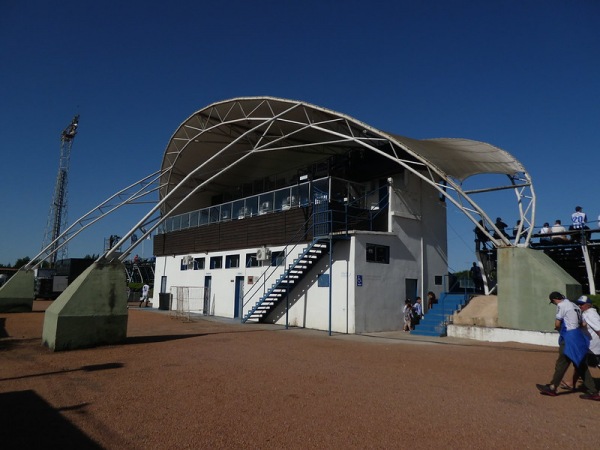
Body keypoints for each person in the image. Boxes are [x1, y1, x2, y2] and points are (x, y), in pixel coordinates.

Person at [535, 291, 600, 401]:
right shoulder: (574, 305)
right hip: (578, 337)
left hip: (569, 337)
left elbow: (557, 323)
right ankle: (593, 391)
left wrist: (559, 329)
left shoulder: (562, 305)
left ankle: (552, 387)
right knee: (579, 364)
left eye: (553, 302)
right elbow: (582, 323)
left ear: (555, 300)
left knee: (562, 362)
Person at [561, 295, 600, 390]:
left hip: (593, 347)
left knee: (583, 363)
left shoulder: (590, 314)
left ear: (588, 305)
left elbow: (599, 329)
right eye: (578, 304)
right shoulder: (587, 313)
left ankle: (572, 383)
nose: (579, 305)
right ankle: (572, 383)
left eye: (582, 304)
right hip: (589, 346)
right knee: (579, 363)